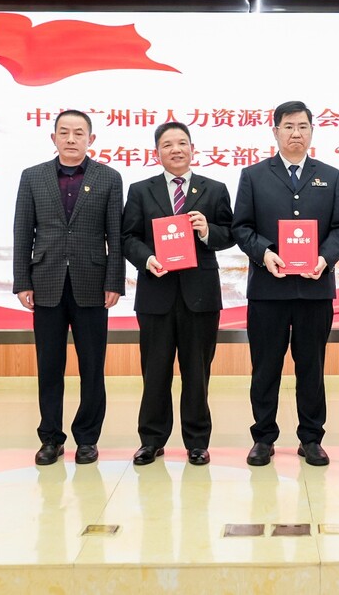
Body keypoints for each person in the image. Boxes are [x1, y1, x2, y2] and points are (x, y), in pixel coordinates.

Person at [231, 100, 339, 467]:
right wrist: (265, 253)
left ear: (312, 131)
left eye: (302, 126)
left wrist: (325, 258)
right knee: (265, 367)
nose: (296, 133)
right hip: (268, 290)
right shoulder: (254, 175)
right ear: (275, 131)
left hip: (314, 289)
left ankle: (311, 438)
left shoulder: (330, 176)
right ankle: (263, 438)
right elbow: (241, 226)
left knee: (311, 368)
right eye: (288, 126)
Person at [13, 109, 123, 466]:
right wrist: (22, 280)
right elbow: (22, 232)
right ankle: (50, 438)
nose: (71, 138)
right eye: (64, 132)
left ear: (91, 139)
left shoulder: (109, 178)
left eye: (79, 133)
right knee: (49, 366)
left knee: (92, 366)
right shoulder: (33, 176)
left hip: (92, 284)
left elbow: (115, 236)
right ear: (54, 138)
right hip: (46, 282)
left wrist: (114, 281)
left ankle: (87, 439)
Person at [121, 122, 234, 467]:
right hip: (156, 293)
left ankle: (197, 442)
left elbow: (230, 233)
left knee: (197, 373)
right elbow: (128, 237)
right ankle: (151, 440)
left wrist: (207, 230)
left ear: (192, 149)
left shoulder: (214, 189)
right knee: (155, 372)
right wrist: (147, 259)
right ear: (157, 153)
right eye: (168, 144)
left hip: (200, 296)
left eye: (182, 143)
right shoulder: (141, 190)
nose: (176, 149)